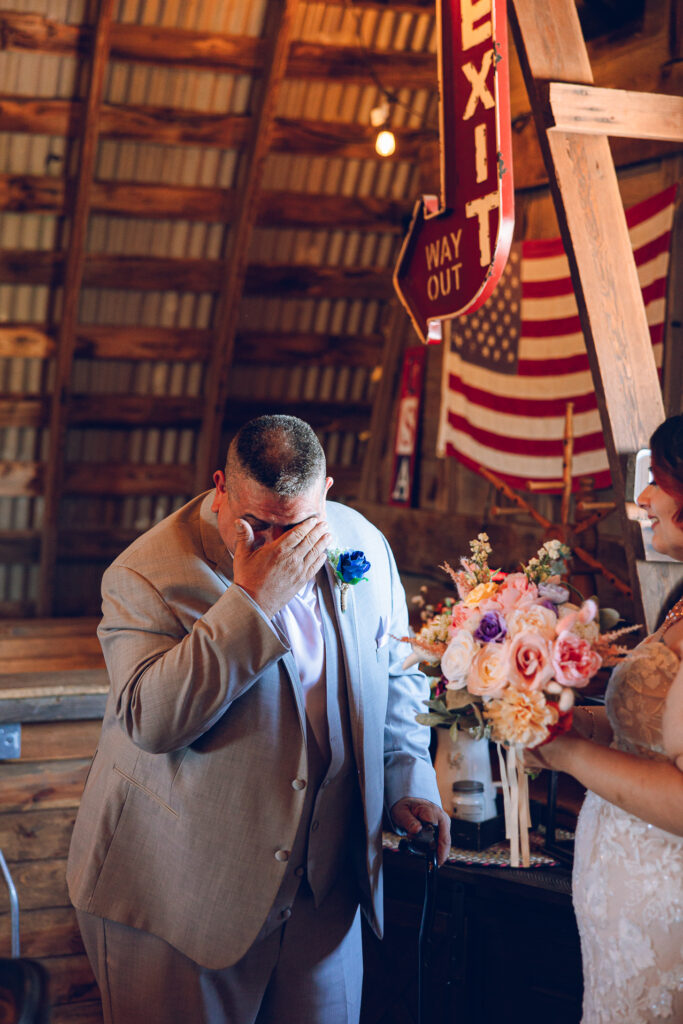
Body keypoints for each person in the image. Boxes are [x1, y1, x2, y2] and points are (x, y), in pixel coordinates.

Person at [67, 414, 450, 1024]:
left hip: (324, 896)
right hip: (179, 898)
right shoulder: (145, 574)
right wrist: (252, 603)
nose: (275, 543)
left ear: (326, 494)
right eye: (255, 523)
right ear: (220, 487)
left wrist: (408, 779)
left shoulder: (364, 544)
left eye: (293, 526)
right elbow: (154, 723)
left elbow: (399, 675)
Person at [525, 414, 683, 1023]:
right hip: (624, 901)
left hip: (665, 902)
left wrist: (560, 749)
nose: (642, 497)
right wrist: (564, 718)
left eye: (660, 478)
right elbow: (646, 731)